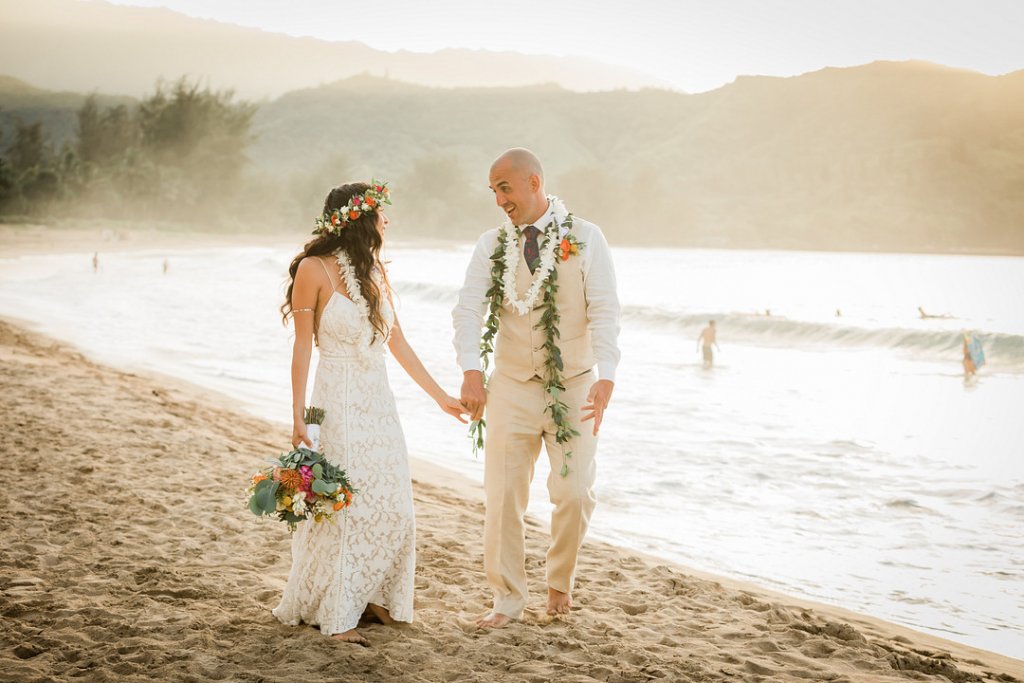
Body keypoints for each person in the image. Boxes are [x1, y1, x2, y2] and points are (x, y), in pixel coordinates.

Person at [273, 181, 467, 646]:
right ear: (360, 218)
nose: (387, 220)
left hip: (377, 401)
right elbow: (302, 347)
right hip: (333, 397)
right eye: (381, 212)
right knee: (342, 503)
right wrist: (299, 416)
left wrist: (440, 397)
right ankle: (337, 611)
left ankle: (376, 596)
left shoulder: (374, 270)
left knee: (393, 502)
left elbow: (397, 341)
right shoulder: (311, 269)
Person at [453, 148, 621, 629]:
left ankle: (559, 583)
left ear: (534, 182)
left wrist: (606, 375)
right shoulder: (491, 245)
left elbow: (606, 310)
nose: (499, 200)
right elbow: (467, 309)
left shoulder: (586, 239)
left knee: (573, 492)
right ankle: (506, 599)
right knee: (503, 495)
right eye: (493, 191)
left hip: (574, 386)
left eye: (505, 188)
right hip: (509, 385)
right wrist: (470, 369)